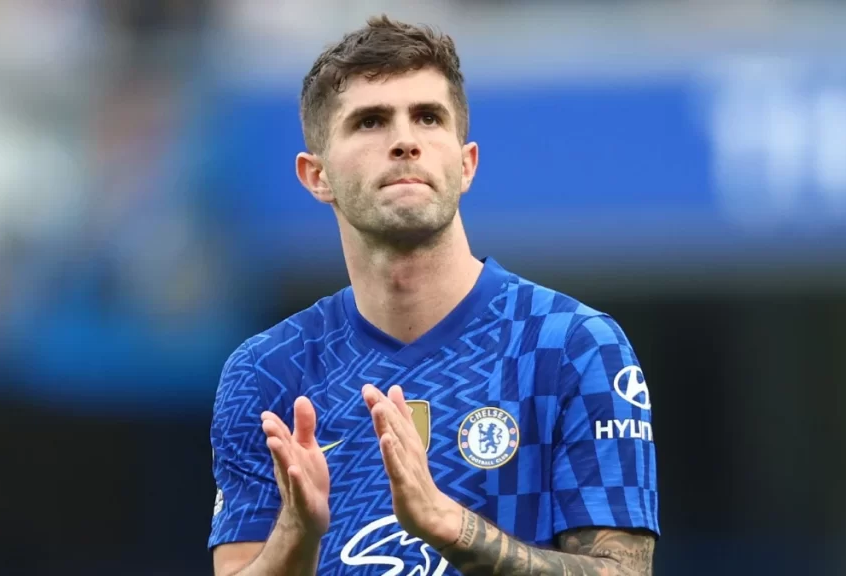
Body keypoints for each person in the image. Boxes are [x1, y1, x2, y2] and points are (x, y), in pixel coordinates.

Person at [208, 15, 658, 576]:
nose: (405, 141)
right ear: (316, 176)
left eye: (428, 117)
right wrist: (297, 533)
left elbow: (625, 572)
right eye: (370, 121)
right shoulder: (267, 371)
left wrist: (451, 527)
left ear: (466, 164)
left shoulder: (571, 346)